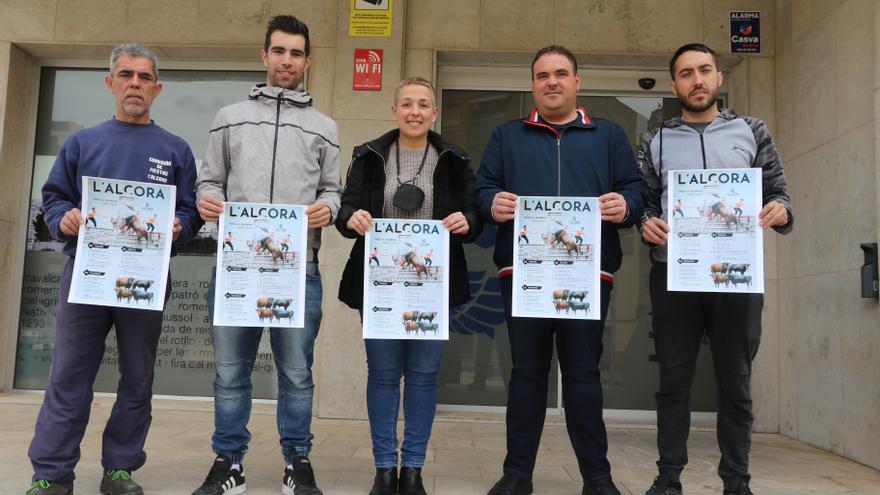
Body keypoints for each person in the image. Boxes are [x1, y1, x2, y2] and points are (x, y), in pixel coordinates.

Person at [26, 43, 202, 495]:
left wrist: (182, 224)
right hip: (85, 276)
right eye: (126, 75)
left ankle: (119, 469)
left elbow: (191, 211)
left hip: (144, 280)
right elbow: (54, 197)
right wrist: (62, 218)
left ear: (157, 88)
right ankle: (50, 474)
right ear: (110, 83)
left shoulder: (176, 149)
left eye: (144, 77)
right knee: (68, 376)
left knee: (137, 378)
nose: (135, 84)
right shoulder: (82, 142)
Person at [475, 45, 644, 495]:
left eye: (561, 74)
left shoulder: (609, 135)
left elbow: (635, 190)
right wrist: (492, 203)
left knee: (583, 374)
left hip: (586, 276)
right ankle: (517, 475)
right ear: (533, 84)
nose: (552, 82)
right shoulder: (506, 136)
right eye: (542, 75)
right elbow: (483, 188)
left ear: (577, 81)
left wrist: (624, 204)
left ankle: (597, 477)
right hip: (525, 274)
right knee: (527, 373)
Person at [192, 15, 341, 495]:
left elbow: (334, 191)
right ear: (264, 56)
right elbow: (209, 180)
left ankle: (297, 462)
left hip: (299, 270)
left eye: (296, 53)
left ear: (308, 61)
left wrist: (328, 208)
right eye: (279, 51)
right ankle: (228, 462)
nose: (287, 61)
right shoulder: (229, 117)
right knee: (230, 371)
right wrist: (206, 200)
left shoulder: (325, 127)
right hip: (237, 268)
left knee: (296, 373)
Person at [637, 43, 793, 495]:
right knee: (673, 383)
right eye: (686, 73)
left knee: (736, 383)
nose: (697, 80)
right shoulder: (656, 138)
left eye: (705, 70)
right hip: (674, 275)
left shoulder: (752, 130)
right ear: (674, 85)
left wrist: (779, 210)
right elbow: (645, 204)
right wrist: (648, 223)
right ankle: (668, 479)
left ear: (719, 78)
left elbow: (779, 192)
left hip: (737, 276)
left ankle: (736, 482)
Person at [336, 76, 483, 495]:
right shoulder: (368, 157)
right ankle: (385, 468)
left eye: (423, 104)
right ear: (395, 111)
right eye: (407, 104)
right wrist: (353, 217)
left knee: (422, 376)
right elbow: (346, 206)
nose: (415, 111)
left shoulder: (454, 159)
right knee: (382, 375)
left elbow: (475, 215)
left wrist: (466, 221)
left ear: (434, 113)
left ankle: (413, 468)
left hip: (431, 285)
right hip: (381, 281)